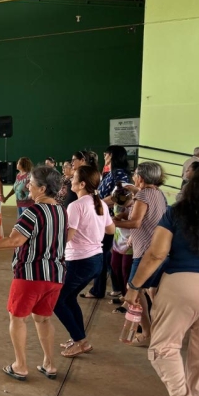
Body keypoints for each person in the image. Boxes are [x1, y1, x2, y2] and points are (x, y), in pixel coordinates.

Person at [123, 165, 199, 396]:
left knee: (164, 346)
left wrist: (134, 286)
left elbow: (156, 254)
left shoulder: (176, 214)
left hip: (182, 285)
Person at [0, 167, 67, 381]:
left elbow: (14, 240)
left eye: (31, 182)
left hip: (30, 275)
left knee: (18, 318)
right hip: (54, 275)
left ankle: (20, 365)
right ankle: (49, 363)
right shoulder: (61, 211)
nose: (27, 185)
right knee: (43, 319)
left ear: (43, 188)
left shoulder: (34, 212)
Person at [53, 167, 115, 357]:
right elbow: (110, 230)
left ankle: (81, 341)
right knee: (69, 298)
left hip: (79, 261)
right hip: (95, 261)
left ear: (82, 184)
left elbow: (68, 236)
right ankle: (78, 337)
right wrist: (97, 247)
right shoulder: (100, 204)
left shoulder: (76, 206)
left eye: (75, 177)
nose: (71, 179)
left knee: (57, 301)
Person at [110, 162, 168, 346]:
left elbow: (135, 223)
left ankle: (147, 333)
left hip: (145, 251)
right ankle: (156, 330)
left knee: (134, 289)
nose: (134, 178)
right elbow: (145, 218)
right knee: (150, 290)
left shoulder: (143, 194)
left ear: (140, 178)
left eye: (135, 175)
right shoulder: (159, 194)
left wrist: (112, 224)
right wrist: (122, 218)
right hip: (158, 248)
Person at [85, 145, 132, 299]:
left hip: (112, 219)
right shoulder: (111, 173)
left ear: (111, 155)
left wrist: (97, 203)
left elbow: (120, 196)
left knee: (103, 254)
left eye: (106, 153)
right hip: (105, 218)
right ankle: (115, 287)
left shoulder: (119, 174)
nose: (104, 155)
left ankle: (101, 289)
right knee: (106, 255)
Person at [109, 185, 134, 313]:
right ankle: (124, 294)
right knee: (115, 266)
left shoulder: (138, 204)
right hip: (119, 238)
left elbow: (138, 222)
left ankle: (128, 301)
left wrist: (115, 222)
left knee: (126, 270)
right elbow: (123, 212)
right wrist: (119, 217)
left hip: (131, 240)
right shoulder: (118, 197)